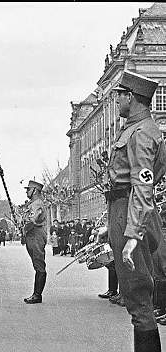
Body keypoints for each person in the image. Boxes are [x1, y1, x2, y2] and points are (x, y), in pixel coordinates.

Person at [106, 70, 165, 351]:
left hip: (130, 211)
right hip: (125, 209)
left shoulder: (141, 133)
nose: (117, 100)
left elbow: (143, 185)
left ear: (131, 97)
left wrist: (132, 235)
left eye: (119, 95)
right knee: (137, 300)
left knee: (139, 299)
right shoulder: (136, 128)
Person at [22, 180, 47, 304]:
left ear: (34, 191)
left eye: (28, 189)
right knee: (37, 264)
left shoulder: (37, 204)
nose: (27, 192)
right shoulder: (33, 203)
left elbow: (32, 220)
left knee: (39, 265)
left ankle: (37, 295)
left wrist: (23, 229)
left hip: (36, 235)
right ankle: (36, 294)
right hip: (32, 235)